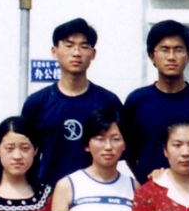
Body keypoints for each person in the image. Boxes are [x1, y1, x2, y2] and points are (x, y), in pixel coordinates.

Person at [18, 18, 122, 190]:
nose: (76, 52)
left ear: (93, 54)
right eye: (69, 45)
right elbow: (25, 151)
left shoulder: (108, 101)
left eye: (84, 46)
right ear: (54, 51)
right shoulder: (37, 102)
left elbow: (121, 152)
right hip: (47, 192)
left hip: (96, 192)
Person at [121, 20, 189, 182]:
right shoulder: (137, 101)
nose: (171, 57)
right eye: (164, 49)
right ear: (151, 56)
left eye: (178, 49)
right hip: (149, 190)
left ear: (188, 55)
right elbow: (130, 154)